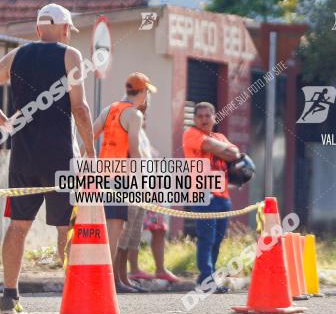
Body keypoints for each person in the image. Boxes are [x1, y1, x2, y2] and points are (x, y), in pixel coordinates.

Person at [0, 3, 97, 314]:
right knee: (64, 227)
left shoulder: (16, 56)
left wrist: (3, 118)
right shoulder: (70, 55)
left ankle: (9, 295)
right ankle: (73, 297)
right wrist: (90, 150)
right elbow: (80, 109)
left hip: (22, 158)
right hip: (59, 156)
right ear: (66, 28)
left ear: (38, 28)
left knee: (18, 226)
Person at [92, 72, 155, 293]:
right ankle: (109, 281)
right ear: (143, 92)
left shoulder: (110, 109)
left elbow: (89, 136)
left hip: (106, 177)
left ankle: (114, 279)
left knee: (117, 232)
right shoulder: (133, 115)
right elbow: (135, 152)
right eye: (147, 92)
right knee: (117, 231)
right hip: (123, 180)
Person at [182, 102, 240, 293]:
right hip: (203, 195)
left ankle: (207, 278)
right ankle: (207, 279)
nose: (204, 119)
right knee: (206, 239)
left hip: (223, 196)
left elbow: (235, 154)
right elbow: (213, 147)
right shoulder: (191, 134)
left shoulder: (220, 136)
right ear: (194, 119)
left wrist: (221, 148)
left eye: (208, 116)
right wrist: (223, 150)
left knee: (217, 239)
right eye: (200, 116)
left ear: (215, 117)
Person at [126, 111, 179, 284]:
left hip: (155, 194)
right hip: (138, 193)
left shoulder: (144, 140)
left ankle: (160, 269)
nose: (143, 121)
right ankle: (133, 268)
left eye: (145, 118)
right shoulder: (130, 140)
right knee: (134, 231)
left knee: (159, 230)